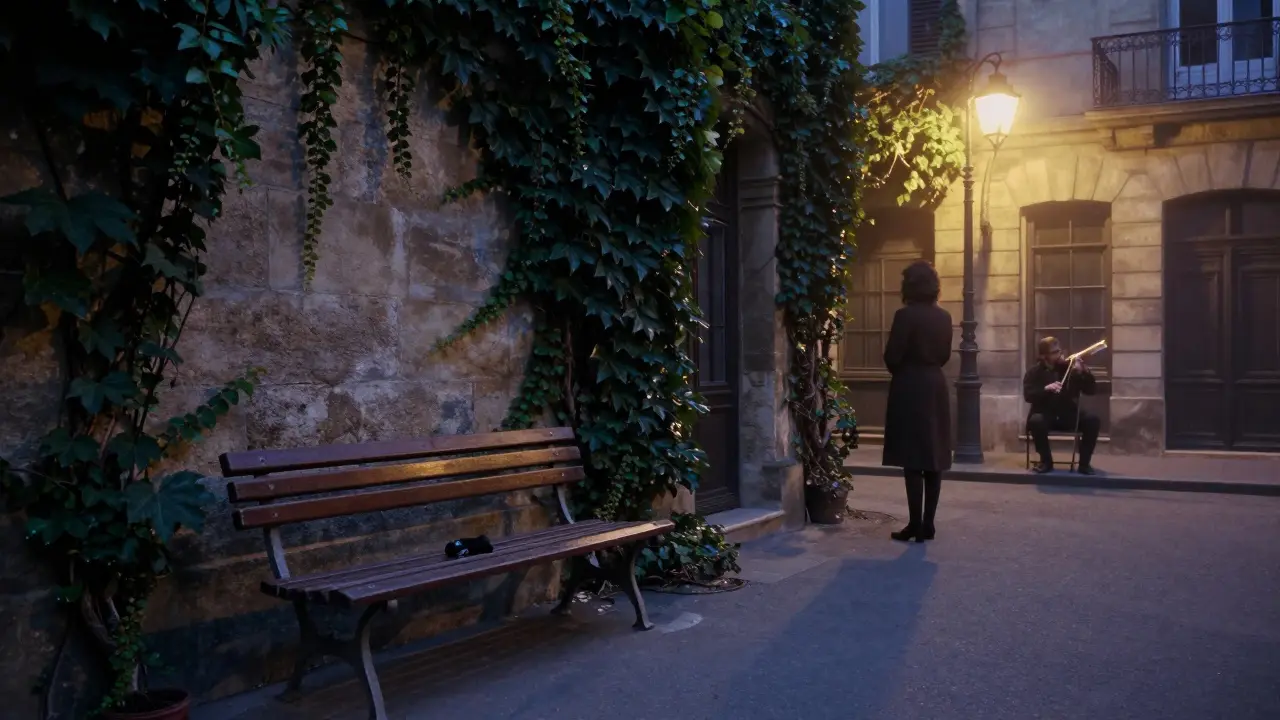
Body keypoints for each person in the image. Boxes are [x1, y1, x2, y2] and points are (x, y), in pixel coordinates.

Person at [882, 260, 953, 543]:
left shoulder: (905, 315)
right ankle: (929, 523)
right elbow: (946, 355)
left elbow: (892, 356)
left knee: (912, 459)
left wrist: (904, 369)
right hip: (936, 384)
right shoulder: (945, 316)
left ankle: (915, 523)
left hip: (910, 385)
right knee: (933, 457)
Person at [1023, 336, 1101, 475]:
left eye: (1059, 351)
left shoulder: (1069, 370)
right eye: (1054, 352)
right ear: (1044, 356)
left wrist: (1084, 372)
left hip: (1067, 414)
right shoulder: (1034, 373)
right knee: (1036, 421)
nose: (1059, 355)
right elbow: (1028, 395)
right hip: (1046, 414)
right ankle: (1046, 461)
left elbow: (1091, 390)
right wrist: (1046, 389)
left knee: (1092, 420)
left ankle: (1084, 464)